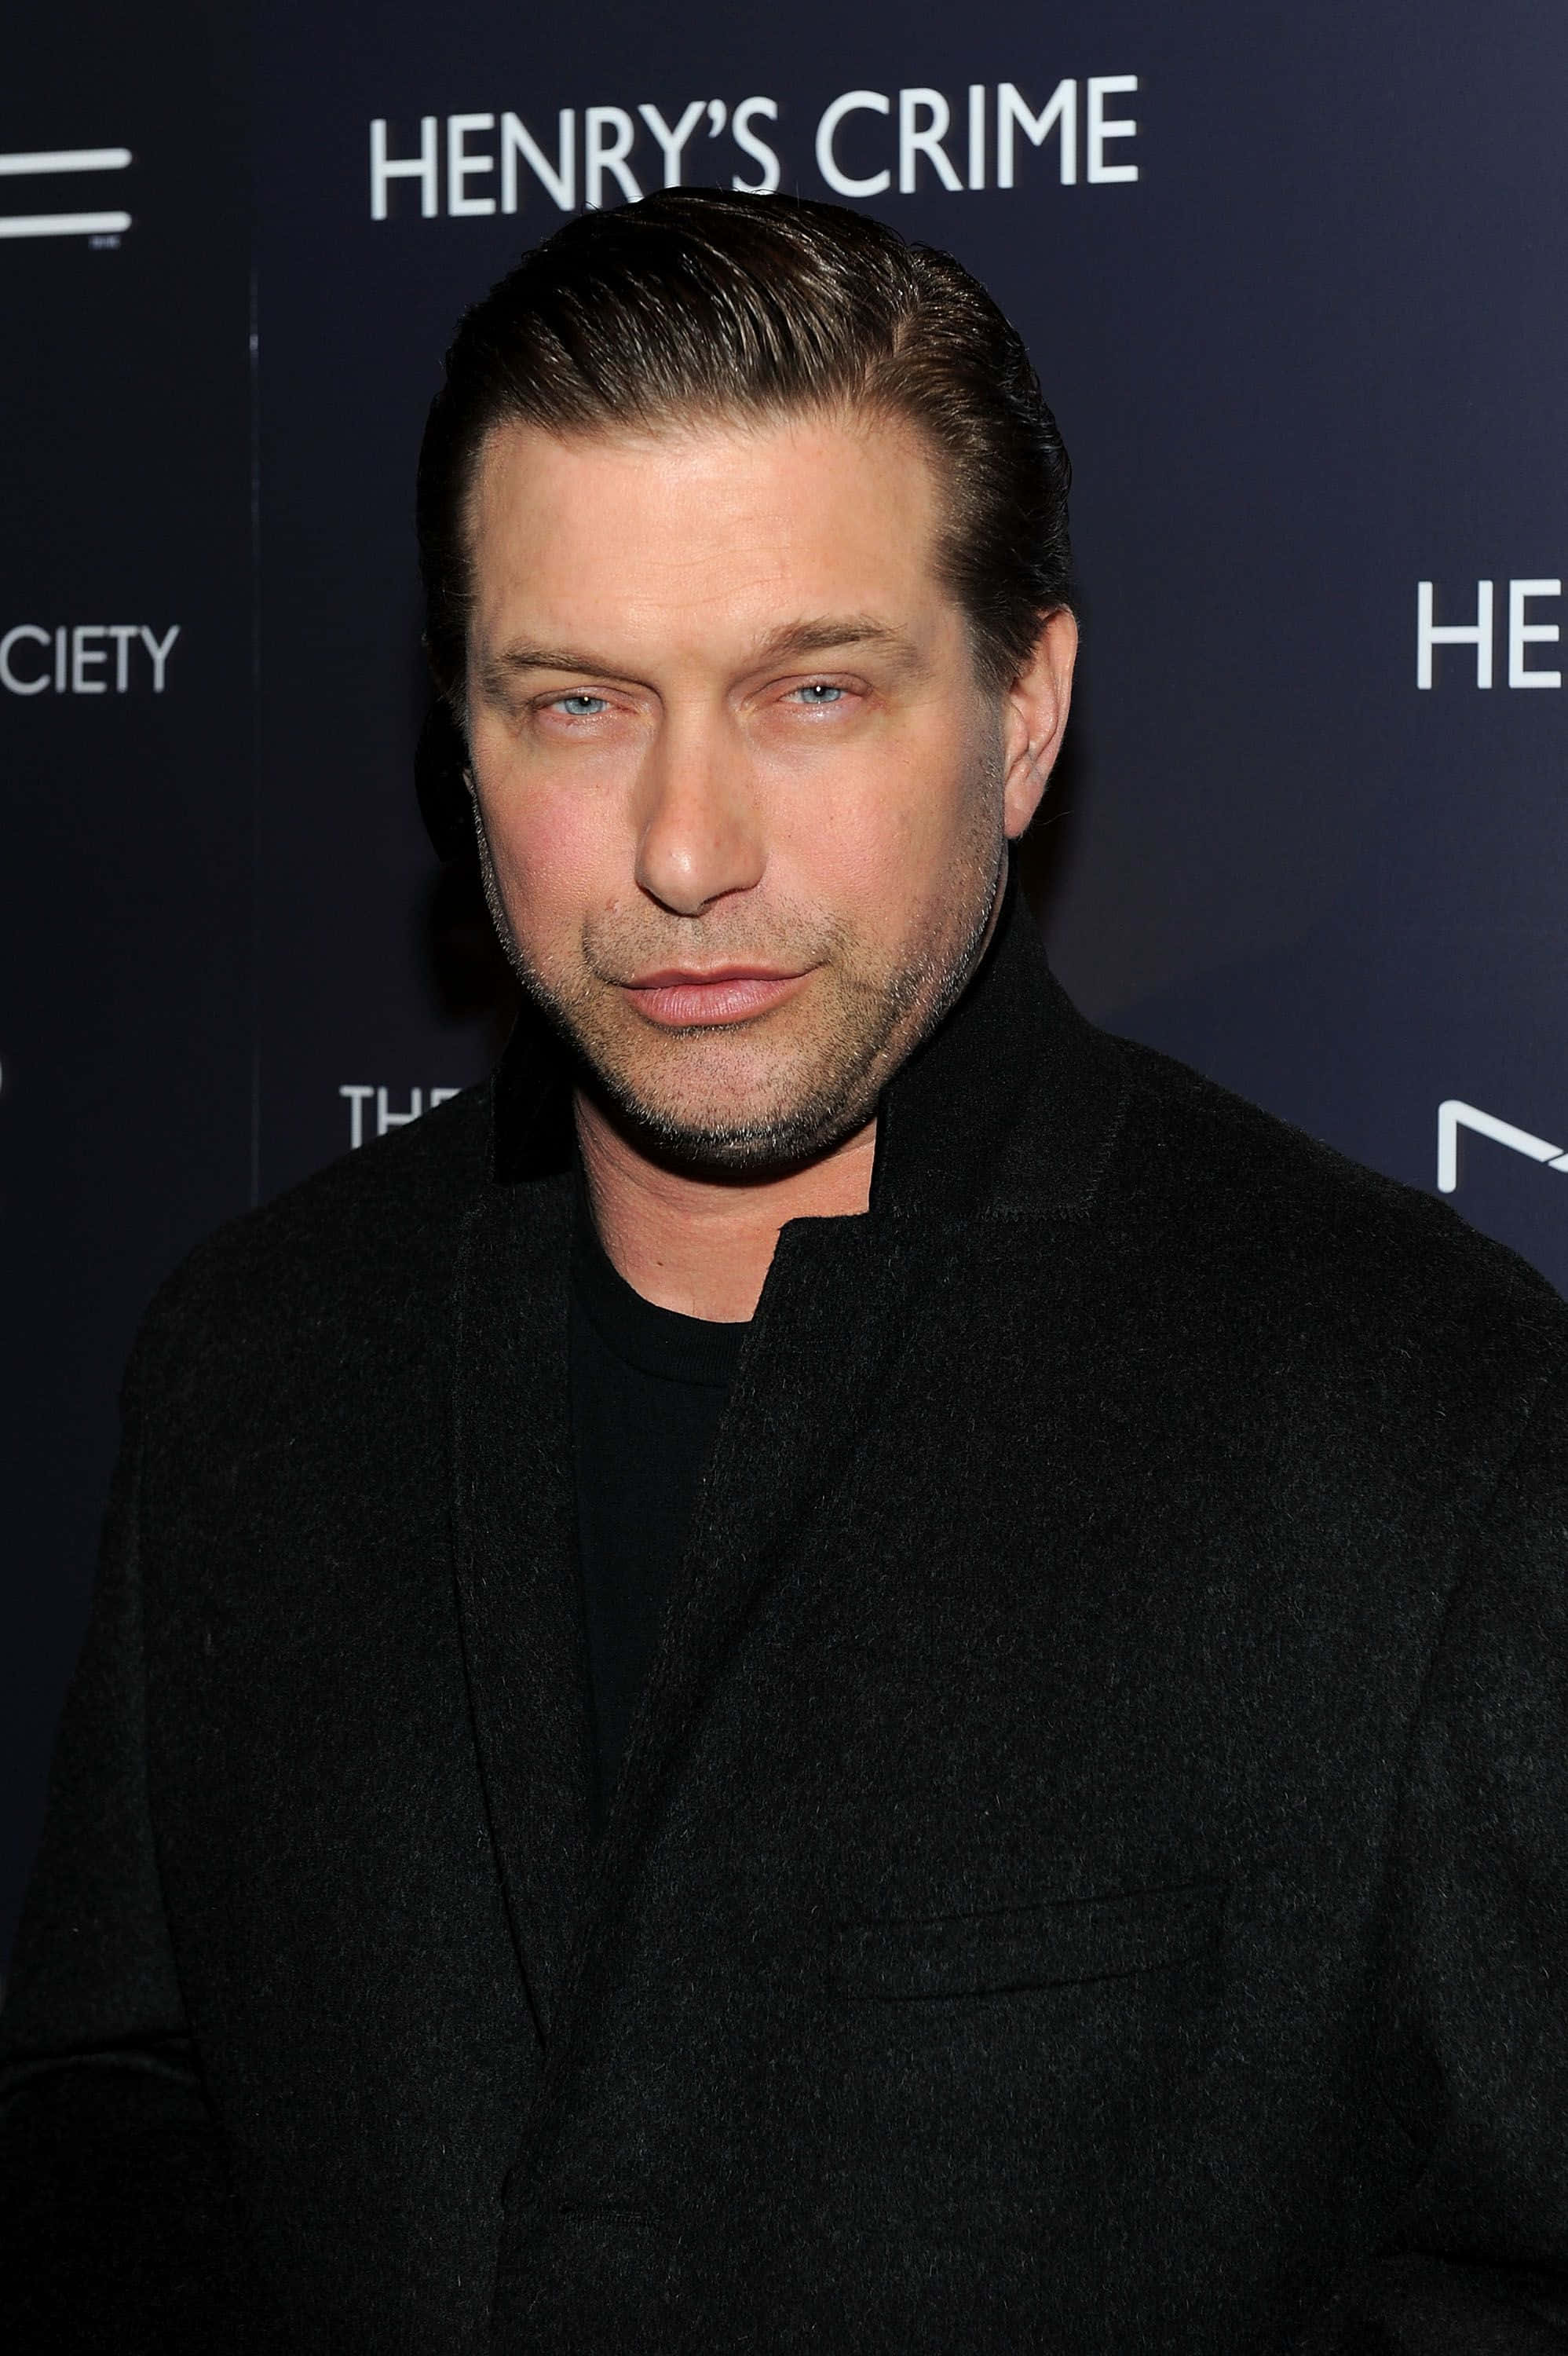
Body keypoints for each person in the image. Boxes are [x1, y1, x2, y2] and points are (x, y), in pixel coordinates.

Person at [3, 188, 1568, 2356]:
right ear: (463, 740)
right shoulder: (252, 1360)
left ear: (1024, 714)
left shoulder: (1425, 1421)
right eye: (576, 705)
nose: (685, 849)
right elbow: (110, 2103)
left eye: (812, 692)